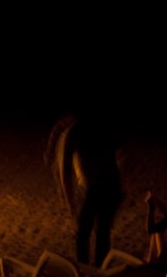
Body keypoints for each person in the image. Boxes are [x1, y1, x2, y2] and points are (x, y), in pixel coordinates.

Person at [47, 113, 124, 266]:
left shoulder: (71, 134)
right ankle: (99, 271)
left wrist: (70, 206)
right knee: (102, 231)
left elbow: (65, 174)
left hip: (99, 186)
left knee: (84, 233)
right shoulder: (100, 126)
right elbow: (119, 157)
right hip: (110, 184)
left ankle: (87, 272)